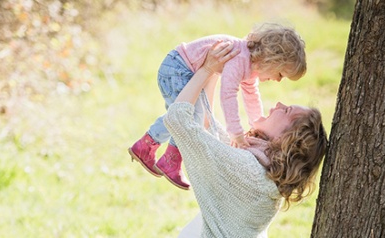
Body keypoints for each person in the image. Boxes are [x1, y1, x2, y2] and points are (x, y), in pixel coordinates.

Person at [165, 41, 327, 237]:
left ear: (288, 139)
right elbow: (208, 128)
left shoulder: (248, 171)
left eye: (286, 111)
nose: (278, 103)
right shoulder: (263, 167)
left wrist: (207, 69)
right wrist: (218, 71)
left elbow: (178, 119)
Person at [128, 23, 307, 190]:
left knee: (187, 115)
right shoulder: (240, 58)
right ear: (272, 60)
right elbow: (227, 94)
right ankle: (168, 158)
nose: (277, 80)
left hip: (181, 69)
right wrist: (235, 132)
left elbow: (251, 96)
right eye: (281, 74)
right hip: (177, 69)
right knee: (187, 115)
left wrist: (257, 124)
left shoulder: (250, 66)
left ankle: (149, 147)